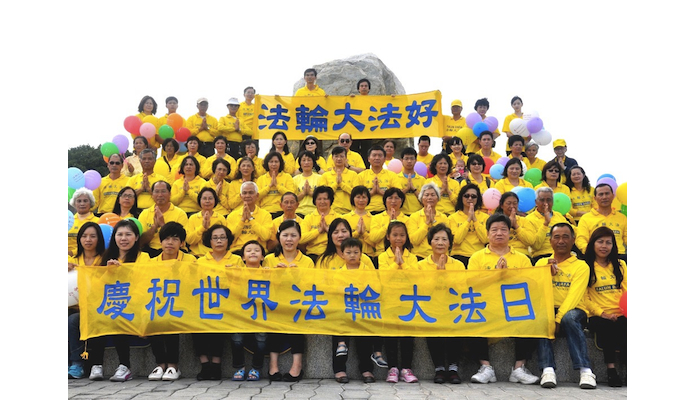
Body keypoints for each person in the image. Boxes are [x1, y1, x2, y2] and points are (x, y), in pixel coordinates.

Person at [466, 214, 539, 385]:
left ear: (510, 233)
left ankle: (519, 368)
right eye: (494, 230)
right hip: (486, 306)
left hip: (514, 307)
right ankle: (486, 368)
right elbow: (471, 283)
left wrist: (508, 275)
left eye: (503, 230)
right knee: (470, 316)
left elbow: (531, 283)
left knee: (533, 318)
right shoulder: (477, 257)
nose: (499, 233)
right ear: (487, 233)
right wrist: (496, 275)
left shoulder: (521, 258)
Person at [535, 223, 596, 390]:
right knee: (541, 317)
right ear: (550, 240)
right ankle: (547, 369)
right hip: (548, 307)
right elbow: (535, 291)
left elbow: (573, 298)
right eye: (556, 237)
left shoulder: (581, 266)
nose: (561, 241)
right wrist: (545, 273)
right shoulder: (541, 263)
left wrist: (557, 319)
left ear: (573, 240)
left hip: (575, 310)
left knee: (569, 318)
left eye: (565, 237)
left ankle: (585, 370)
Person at [88, 219, 142, 382]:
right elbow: (97, 287)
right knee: (97, 317)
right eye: (120, 234)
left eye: (128, 234)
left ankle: (125, 366)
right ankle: (96, 364)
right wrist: (109, 272)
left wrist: (123, 272)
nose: (123, 238)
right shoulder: (105, 258)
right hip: (110, 303)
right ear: (114, 237)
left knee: (117, 316)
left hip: (134, 304)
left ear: (136, 237)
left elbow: (144, 283)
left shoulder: (143, 257)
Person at [145, 222, 196, 381]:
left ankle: (173, 366)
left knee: (170, 317)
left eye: (175, 239)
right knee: (153, 318)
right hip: (159, 303)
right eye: (166, 239)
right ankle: (161, 364)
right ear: (160, 242)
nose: (170, 243)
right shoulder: (151, 262)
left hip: (183, 304)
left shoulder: (191, 260)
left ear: (182, 243)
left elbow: (193, 283)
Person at [263, 220, 312, 382]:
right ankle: (273, 365)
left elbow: (311, 285)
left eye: (293, 235)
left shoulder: (307, 261)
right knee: (273, 327)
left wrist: (297, 276)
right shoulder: (270, 259)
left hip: (297, 304)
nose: (289, 239)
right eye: (285, 235)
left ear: (299, 238)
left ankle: (297, 366)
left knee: (296, 326)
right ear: (279, 238)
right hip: (274, 303)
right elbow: (262, 283)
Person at [194, 225, 243, 380]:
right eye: (215, 238)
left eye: (223, 237)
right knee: (192, 323)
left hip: (228, 306)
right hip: (204, 304)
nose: (219, 241)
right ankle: (205, 364)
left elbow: (243, 283)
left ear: (228, 241)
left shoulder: (236, 260)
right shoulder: (201, 261)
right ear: (209, 241)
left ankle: (216, 365)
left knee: (218, 324)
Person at [418, 224, 465, 384]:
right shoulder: (421, 265)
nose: (440, 242)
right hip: (430, 307)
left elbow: (461, 289)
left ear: (450, 243)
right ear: (430, 242)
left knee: (457, 322)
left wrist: (445, 275)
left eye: (444, 239)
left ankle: (453, 368)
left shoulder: (458, 265)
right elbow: (421, 289)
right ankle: (439, 368)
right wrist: (438, 275)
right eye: (436, 239)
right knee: (432, 323)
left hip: (453, 307)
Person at [583, 226, 627, 387]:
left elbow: (627, 290)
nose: (604, 246)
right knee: (607, 327)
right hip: (598, 315)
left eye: (608, 242)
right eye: (600, 242)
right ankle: (611, 370)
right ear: (593, 244)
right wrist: (603, 313)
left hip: (621, 312)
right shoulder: (586, 266)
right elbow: (585, 298)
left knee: (626, 325)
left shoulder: (620, 265)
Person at [332, 238, 377, 384]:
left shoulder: (368, 271)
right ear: (342, 254)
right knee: (339, 338)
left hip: (363, 310)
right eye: (348, 252)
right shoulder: (339, 272)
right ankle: (339, 370)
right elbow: (334, 290)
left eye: (356, 252)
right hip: (344, 311)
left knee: (364, 341)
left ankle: (366, 369)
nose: (352, 255)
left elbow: (376, 288)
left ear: (361, 254)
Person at [378, 221, 419, 383]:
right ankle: (393, 368)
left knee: (408, 336)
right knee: (391, 335)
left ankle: (407, 369)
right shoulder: (383, 257)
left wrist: (403, 264)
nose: (398, 238)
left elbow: (415, 276)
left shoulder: (412, 257)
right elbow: (384, 277)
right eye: (395, 235)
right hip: (390, 300)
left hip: (409, 301)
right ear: (388, 237)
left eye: (402, 235)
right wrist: (396, 264)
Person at [68, 222, 106, 379]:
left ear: (99, 239)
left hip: (98, 307)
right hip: (76, 307)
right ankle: (75, 363)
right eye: (84, 236)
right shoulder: (72, 260)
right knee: (71, 318)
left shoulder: (105, 259)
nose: (88, 240)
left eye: (92, 236)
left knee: (74, 321)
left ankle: (80, 364)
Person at [231, 240, 268, 382]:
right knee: (237, 339)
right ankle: (239, 367)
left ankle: (256, 368)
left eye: (257, 250)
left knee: (261, 339)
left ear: (263, 257)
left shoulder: (269, 273)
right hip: (240, 313)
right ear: (243, 258)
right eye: (249, 250)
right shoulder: (236, 272)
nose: (253, 252)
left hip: (261, 313)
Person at [575, 183, 627, 262]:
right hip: (595, 258)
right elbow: (581, 239)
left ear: (613, 196)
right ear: (595, 198)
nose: (604, 197)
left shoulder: (622, 218)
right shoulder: (586, 218)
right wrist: (591, 253)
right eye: (601, 194)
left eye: (607, 194)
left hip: (619, 256)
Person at [138, 181, 189, 258]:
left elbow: (182, 240)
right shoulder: (145, 213)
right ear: (152, 195)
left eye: (163, 191)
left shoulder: (180, 213)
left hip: (174, 251)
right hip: (151, 250)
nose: (160, 195)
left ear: (170, 194)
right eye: (157, 192)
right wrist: (154, 226)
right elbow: (141, 241)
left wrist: (163, 225)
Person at [526, 187, 574, 264]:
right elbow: (536, 246)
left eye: (549, 200)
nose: (546, 203)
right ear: (536, 202)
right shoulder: (529, 219)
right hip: (542, 256)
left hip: (563, 254)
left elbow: (572, 234)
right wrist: (546, 224)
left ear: (553, 201)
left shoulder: (559, 216)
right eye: (542, 200)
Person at [226, 181, 273, 254]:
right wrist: (242, 220)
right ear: (241, 196)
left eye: (251, 193)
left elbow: (266, 236)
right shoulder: (232, 215)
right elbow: (230, 239)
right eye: (244, 193)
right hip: (237, 251)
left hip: (258, 251)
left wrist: (251, 219)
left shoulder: (265, 214)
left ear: (257, 196)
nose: (247, 195)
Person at [448, 184, 489, 266]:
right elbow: (457, 240)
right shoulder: (452, 218)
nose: (470, 198)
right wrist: (468, 220)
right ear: (461, 198)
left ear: (478, 199)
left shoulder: (485, 217)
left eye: (473, 196)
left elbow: (485, 239)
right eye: (466, 196)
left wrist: (475, 220)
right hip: (459, 256)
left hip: (479, 255)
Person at [406, 183, 450, 259]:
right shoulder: (414, 216)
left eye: (433, 195)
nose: (429, 197)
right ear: (421, 198)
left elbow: (446, 239)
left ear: (438, 198)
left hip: (440, 256)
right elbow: (414, 241)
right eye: (426, 195)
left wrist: (433, 221)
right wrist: (426, 223)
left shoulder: (443, 217)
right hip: (419, 256)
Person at [354, 145, 401, 214]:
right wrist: (372, 192)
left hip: (386, 212)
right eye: (374, 155)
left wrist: (380, 191)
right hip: (366, 212)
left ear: (384, 159)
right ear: (368, 159)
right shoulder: (361, 176)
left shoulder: (392, 175)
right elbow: (356, 197)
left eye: (380, 155)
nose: (377, 158)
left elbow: (398, 196)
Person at [368, 188, 410, 263]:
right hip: (381, 255)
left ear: (401, 201)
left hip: (403, 256)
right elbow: (373, 238)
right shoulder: (376, 218)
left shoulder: (407, 219)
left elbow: (409, 240)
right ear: (385, 200)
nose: (393, 201)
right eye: (390, 198)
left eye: (397, 198)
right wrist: (389, 224)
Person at [300, 186, 338, 263]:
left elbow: (343, 238)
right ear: (315, 201)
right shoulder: (308, 218)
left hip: (333, 254)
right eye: (319, 199)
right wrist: (319, 231)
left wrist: (328, 230)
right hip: (312, 254)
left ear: (331, 200)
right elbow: (301, 239)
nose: (322, 202)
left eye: (325, 199)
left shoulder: (338, 217)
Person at [185, 187, 227, 257]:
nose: (207, 201)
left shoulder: (220, 218)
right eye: (204, 198)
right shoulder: (193, 218)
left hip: (216, 256)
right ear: (199, 200)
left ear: (215, 200)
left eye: (210, 198)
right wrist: (203, 227)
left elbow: (225, 239)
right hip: (197, 255)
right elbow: (189, 240)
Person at [494, 192, 537, 257]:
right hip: (502, 254)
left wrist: (516, 226)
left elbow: (531, 241)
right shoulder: (495, 221)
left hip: (522, 255)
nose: (512, 206)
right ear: (502, 205)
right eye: (508, 203)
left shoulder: (524, 220)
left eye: (515, 203)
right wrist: (508, 225)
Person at [340, 186, 376, 263]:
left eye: (364, 197)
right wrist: (357, 233)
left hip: (369, 256)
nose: (361, 200)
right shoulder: (344, 218)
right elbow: (342, 241)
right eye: (358, 197)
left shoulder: (374, 219)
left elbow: (376, 243)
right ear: (353, 199)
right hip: (349, 257)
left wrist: (364, 234)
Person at [319, 146, 358, 215]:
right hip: (331, 212)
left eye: (341, 156)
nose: (339, 159)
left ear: (346, 158)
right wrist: (336, 184)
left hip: (349, 212)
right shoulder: (325, 176)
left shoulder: (353, 175)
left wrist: (342, 184)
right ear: (332, 158)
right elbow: (323, 195)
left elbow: (356, 194)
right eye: (336, 156)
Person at [256, 151, 296, 219]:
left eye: (276, 162)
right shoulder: (261, 179)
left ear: (280, 163)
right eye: (271, 162)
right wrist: (269, 187)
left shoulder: (287, 177)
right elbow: (256, 197)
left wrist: (277, 186)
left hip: (283, 211)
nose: (274, 164)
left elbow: (291, 195)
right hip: (265, 211)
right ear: (267, 163)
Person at [68, 188, 100, 256]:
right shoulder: (68, 220)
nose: (82, 204)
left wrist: (72, 253)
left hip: (87, 259)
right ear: (74, 203)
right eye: (79, 201)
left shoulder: (98, 221)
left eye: (85, 201)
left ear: (91, 203)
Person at [397, 147, 426, 216]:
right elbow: (394, 198)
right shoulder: (396, 178)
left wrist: (413, 189)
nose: (409, 161)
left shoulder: (422, 180)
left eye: (412, 158)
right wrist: (406, 189)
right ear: (401, 160)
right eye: (406, 158)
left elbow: (425, 200)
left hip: (419, 214)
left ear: (416, 160)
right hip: (401, 214)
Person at [293, 151, 322, 217]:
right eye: (303, 160)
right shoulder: (295, 179)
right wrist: (303, 193)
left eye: (309, 160)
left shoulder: (320, 178)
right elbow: (292, 200)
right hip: (298, 212)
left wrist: (310, 193)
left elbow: (322, 198)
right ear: (300, 163)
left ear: (313, 163)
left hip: (316, 212)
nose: (306, 163)